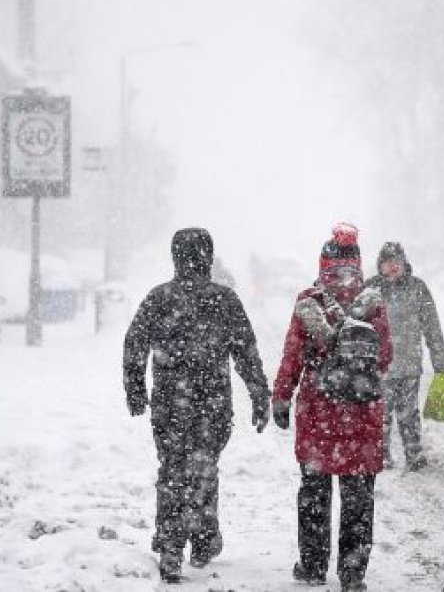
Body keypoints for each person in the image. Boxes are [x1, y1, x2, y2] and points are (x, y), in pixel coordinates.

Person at [122, 227, 271, 584]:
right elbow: (246, 351)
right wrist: (258, 394)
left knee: (173, 470)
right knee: (204, 466)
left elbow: (134, 345)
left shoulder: (159, 298)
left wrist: (135, 389)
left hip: (170, 402)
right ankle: (203, 538)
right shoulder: (224, 299)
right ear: (208, 256)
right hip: (212, 401)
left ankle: (171, 546)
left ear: (175, 257)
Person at [272, 223, 392, 592]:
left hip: (318, 410)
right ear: (358, 262)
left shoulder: (310, 302)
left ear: (322, 263)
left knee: (314, 492)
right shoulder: (372, 301)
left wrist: (281, 395)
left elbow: (292, 355)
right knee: (358, 496)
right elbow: (385, 357)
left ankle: (311, 566)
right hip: (362, 414)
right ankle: (353, 573)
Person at [365, 241, 444, 471]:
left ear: (404, 263)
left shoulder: (417, 288)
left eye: (396, 263)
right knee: (380, 414)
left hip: (409, 365)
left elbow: (432, 328)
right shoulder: (371, 290)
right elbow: (357, 325)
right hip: (379, 366)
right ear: (380, 265)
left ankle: (414, 454)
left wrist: (440, 364)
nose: (392, 267)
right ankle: (381, 456)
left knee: (409, 414)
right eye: (387, 263)